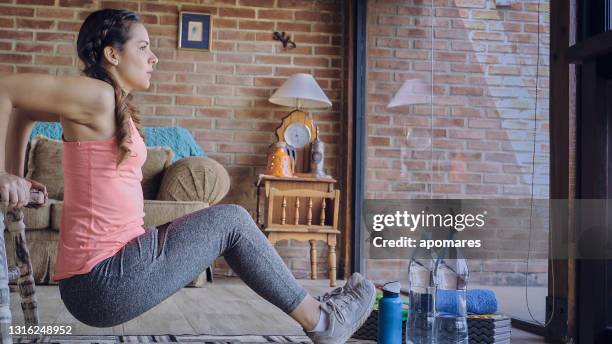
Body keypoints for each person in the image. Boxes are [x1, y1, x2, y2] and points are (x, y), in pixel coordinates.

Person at [0, 8, 375, 343]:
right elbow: (5, 90)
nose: (154, 57)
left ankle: (317, 309)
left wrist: (14, 177)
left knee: (225, 223)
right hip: (103, 280)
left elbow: (22, 112)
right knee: (233, 221)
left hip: (105, 275)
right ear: (112, 54)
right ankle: (323, 321)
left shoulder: (106, 100)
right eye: (143, 47)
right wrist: (2, 176)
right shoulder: (97, 95)